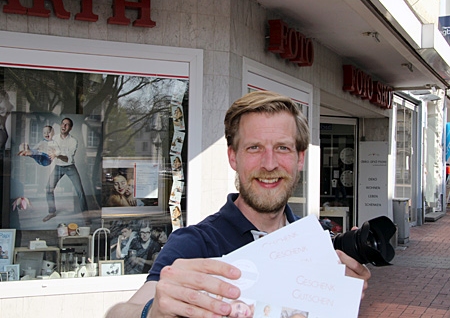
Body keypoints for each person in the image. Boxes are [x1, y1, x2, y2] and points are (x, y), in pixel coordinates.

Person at [105, 91, 371, 318]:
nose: (269, 164)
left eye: (282, 148)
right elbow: (119, 312)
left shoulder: (313, 242)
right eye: (254, 148)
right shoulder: (197, 243)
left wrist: (339, 301)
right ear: (233, 157)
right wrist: (153, 312)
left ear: (300, 158)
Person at [43, 117, 89, 222]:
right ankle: (51, 212)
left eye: (67, 124)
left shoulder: (73, 141)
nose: (64, 126)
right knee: (48, 188)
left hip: (70, 167)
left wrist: (57, 154)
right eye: (62, 124)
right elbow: (49, 152)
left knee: (80, 191)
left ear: (70, 128)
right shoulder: (54, 138)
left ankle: (86, 215)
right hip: (58, 167)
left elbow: (68, 158)